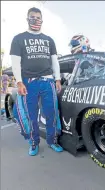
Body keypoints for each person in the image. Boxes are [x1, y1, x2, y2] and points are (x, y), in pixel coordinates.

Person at [10, 7, 63, 156]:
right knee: (31, 115)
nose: (35, 20)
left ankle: (52, 141)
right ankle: (34, 142)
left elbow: (55, 61)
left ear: (42, 20)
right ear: (27, 19)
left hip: (48, 82)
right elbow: (15, 62)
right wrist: (19, 82)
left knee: (51, 112)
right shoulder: (19, 39)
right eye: (32, 17)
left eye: (38, 18)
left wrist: (57, 79)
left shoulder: (49, 40)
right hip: (29, 83)